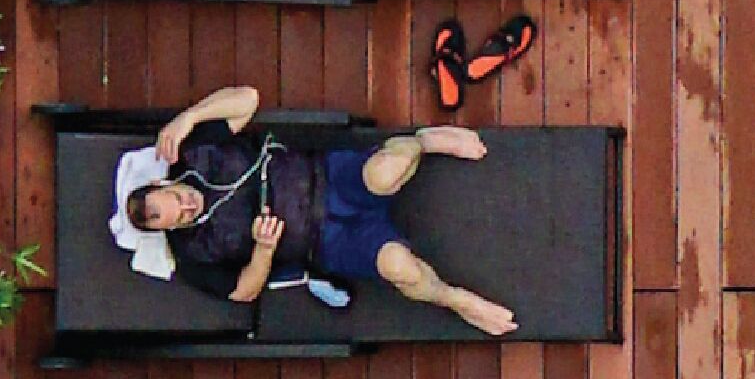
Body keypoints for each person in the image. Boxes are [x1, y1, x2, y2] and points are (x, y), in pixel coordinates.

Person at [120, 85, 515, 337]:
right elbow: (243, 293)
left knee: (384, 172)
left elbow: (248, 99)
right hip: (325, 242)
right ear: (172, 230)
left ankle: (423, 142)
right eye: (183, 217)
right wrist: (263, 250)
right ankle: (455, 300)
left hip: (329, 178)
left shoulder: (195, 153)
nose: (190, 206)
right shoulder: (192, 254)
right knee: (398, 267)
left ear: (162, 182)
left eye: (180, 199)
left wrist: (188, 117)